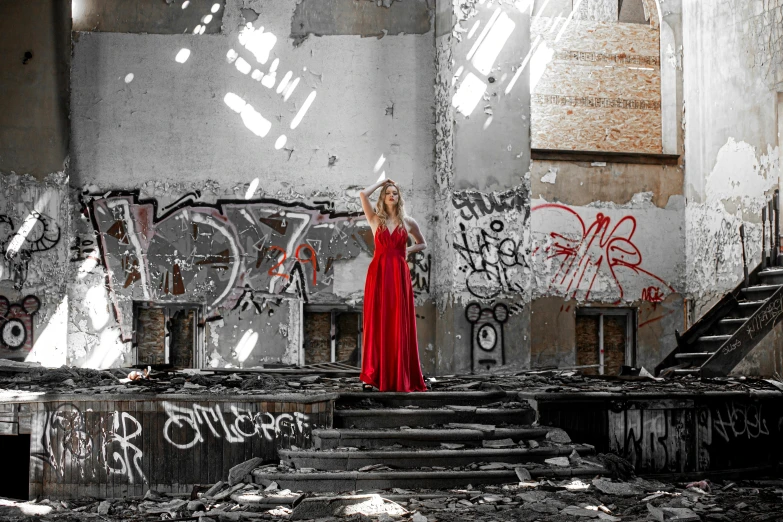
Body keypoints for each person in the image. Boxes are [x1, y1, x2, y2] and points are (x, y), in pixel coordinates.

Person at [358, 178, 428, 392]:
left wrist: (406, 251)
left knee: (398, 322)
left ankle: (399, 374)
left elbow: (422, 243)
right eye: (388, 192)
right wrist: (381, 182)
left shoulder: (408, 222)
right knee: (377, 322)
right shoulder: (375, 220)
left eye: (394, 193)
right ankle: (373, 375)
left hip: (398, 274)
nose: (391, 195)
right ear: (383, 196)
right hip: (378, 274)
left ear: (399, 198)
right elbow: (362, 194)